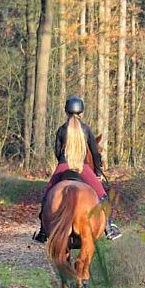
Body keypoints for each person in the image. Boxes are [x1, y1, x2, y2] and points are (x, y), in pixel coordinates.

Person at [33, 95, 121, 243]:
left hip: (63, 165)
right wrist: (98, 173)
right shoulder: (86, 130)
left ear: (66, 112)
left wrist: (63, 164)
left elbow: (57, 151)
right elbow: (94, 153)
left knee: (47, 195)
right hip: (82, 167)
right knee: (103, 196)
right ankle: (109, 228)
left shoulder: (61, 130)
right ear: (81, 112)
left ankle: (43, 231)